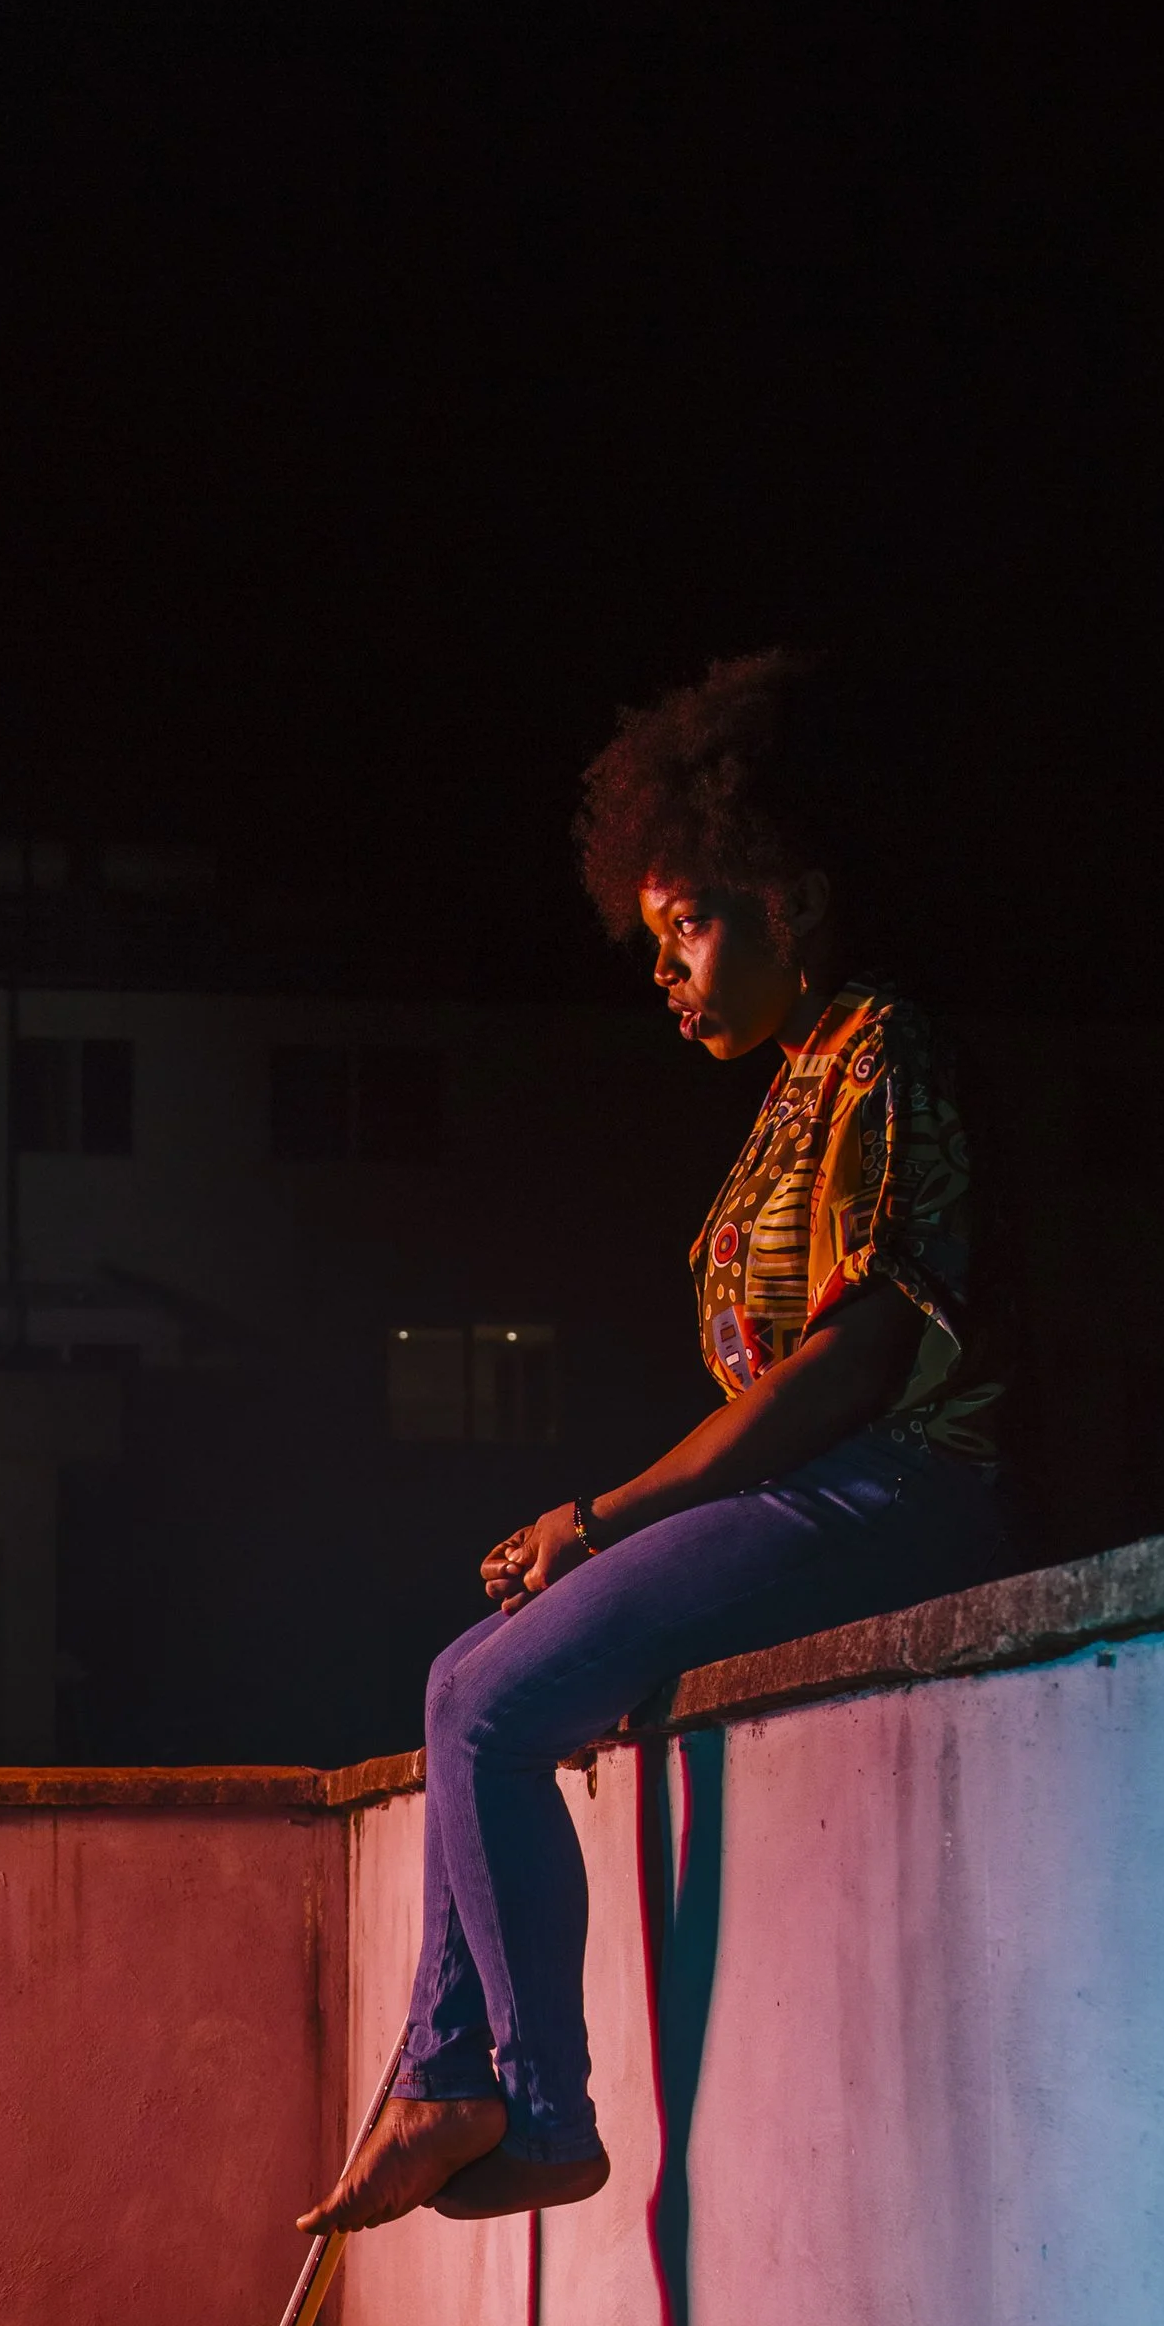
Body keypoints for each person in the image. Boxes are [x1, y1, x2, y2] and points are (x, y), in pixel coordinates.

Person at [304, 649, 1009, 2235]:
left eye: (689, 922)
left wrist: (604, 1522)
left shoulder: (884, 1054)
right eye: (659, 933)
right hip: (819, 1496)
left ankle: (537, 2109)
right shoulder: (788, 1091)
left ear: (797, 897)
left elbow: (855, 1361)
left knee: (487, 1702)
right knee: (464, 1682)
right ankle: (445, 2071)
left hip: (895, 1491)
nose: (666, 966)